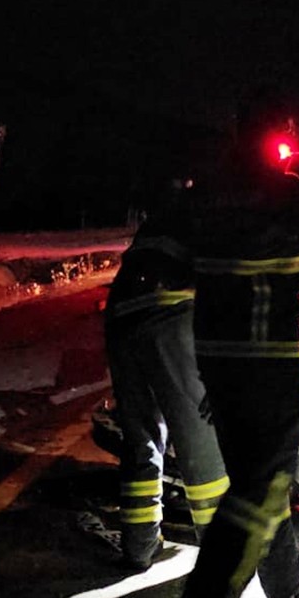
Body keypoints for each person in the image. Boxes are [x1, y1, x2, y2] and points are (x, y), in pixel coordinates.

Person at [176, 119, 299, 598]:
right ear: (280, 139)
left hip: (216, 362)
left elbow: (187, 265)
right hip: (269, 362)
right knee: (266, 481)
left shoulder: (205, 196)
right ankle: (213, 590)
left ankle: (286, 590)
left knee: (258, 480)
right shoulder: (293, 197)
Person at [104, 183, 230, 570]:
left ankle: (140, 546)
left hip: (121, 316)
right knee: (200, 446)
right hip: (172, 314)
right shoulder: (218, 218)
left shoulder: (168, 217)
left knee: (141, 437)